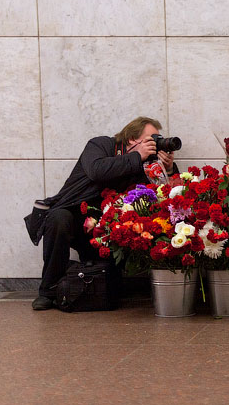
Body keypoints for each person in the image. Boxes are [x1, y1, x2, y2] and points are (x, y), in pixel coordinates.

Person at [31, 117, 178, 311]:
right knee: (59, 218)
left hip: (107, 226)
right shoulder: (100, 144)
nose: (155, 145)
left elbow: (160, 194)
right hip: (74, 216)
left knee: (110, 289)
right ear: (133, 139)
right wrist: (137, 157)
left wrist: (167, 169)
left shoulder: (146, 162)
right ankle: (47, 291)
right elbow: (97, 171)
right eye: (151, 139)